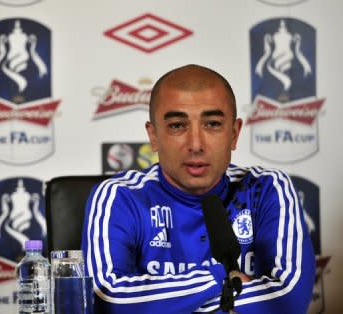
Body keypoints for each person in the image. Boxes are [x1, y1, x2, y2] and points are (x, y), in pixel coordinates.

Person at [81, 64, 315, 313]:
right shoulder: (120, 196)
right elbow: (107, 300)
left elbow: (288, 300)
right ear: (154, 136)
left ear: (234, 134)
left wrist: (162, 303)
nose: (195, 144)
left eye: (212, 124)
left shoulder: (267, 189)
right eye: (177, 126)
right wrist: (220, 278)